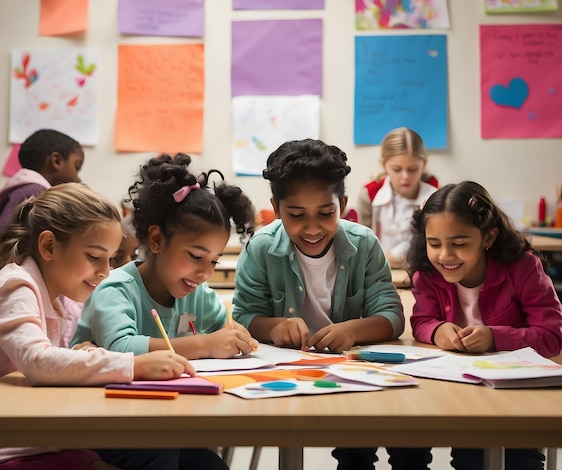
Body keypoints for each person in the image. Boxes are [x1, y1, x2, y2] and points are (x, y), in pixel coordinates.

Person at [0, 183, 210, 470]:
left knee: (195, 460)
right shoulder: (15, 286)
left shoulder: (48, 297)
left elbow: (40, 364)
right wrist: (135, 365)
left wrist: (81, 354)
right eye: (94, 257)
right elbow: (38, 362)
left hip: (17, 437)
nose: (105, 272)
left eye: (111, 259)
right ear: (49, 246)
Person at [232, 138, 429, 470]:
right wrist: (275, 327)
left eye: (326, 213)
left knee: (401, 442)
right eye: (296, 215)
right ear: (276, 209)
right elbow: (244, 316)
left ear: (344, 205)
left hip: (352, 371)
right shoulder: (261, 249)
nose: (312, 228)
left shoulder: (363, 244)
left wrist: (352, 330)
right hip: (288, 372)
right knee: (346, 451)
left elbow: (393, 316)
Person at [406, 180, 562, 470]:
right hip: (459, 388)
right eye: (434, 244)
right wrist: (438, 331)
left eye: (460, 244)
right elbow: (422, 322)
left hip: (517, 394)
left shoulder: (523, 268)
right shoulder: (427, 274)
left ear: (488, 238)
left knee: (520, 459)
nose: (445, 256)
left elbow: (552, 337)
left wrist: (494, 338)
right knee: (466, 457)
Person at [71, 152, 258, 361]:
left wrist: (235, 336)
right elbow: (120, 348)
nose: (206, 273)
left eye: (214, 260)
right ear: (157, 239)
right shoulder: (115, 290)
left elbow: (223, 328)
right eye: (196, 256)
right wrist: (205, 344)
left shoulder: (198, 294)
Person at [0, 128, 85, 260]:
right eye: (76, 167)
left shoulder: (21, 189)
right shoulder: (36, 195)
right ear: (56, 161)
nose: (78, 178)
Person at [351, 127, 438, 268]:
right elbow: (362, 243)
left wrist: (400, 253)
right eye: (397, 169)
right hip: (378, 272)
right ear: (384, 165)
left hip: (421, 272)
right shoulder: (369, 196)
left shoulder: (434, 197)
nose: (405, 176)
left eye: (412, 169)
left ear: (424, 164)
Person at [59, 212, 139, 348]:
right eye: (94, 257)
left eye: (134, 256)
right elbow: (39, 359)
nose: (106, 272)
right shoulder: (22, 289)